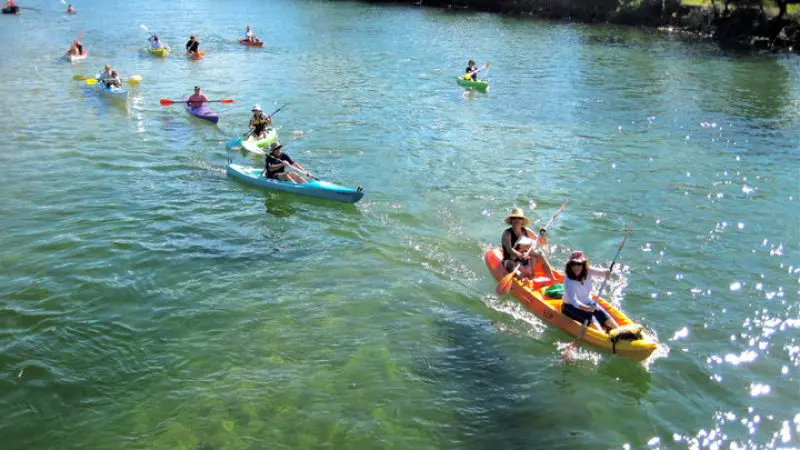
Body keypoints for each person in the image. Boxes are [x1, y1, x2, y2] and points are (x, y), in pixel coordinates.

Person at [561, 250, 620, 332]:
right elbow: (574, 301)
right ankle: (602, 336)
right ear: (570, 266)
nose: (576, 266)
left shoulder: (588, 271)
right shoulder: (569, 280)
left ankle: (619, 332)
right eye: (573, 264)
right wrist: (587, 309)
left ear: (583, 264)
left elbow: (602, 273)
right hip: (570, 306)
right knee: (594, 322)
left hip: (588, 303)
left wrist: (607, 273)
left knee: (604, 316)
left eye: (579, 264)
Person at [500, 208, 554, 280]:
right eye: (514, 218)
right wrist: (520, 255)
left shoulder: (526, 231)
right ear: (511, 220)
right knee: (512, 265)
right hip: (511, 260)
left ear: (522, 221)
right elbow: (509, 250)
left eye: (519, 218)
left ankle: (552, 278)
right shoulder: (507, 234)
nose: (516, 220)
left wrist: (542, 235)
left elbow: (541, 242)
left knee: (540, 255)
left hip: (524, 259)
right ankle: (523, 281)